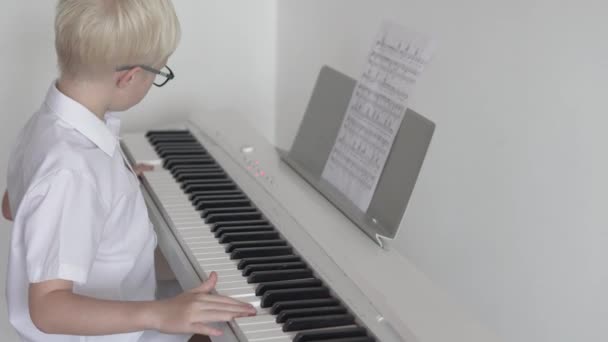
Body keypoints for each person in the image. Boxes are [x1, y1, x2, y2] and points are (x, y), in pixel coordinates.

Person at [3, 1, 256, 341]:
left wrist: (110, 189)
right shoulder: (73, 171)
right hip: (108, 332)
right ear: (129, 77)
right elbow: (48, 308)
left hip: (131, 303)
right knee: (225, 333)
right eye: (159, 74)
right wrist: (160, 314)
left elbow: (13, 205)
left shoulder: (48, 125)